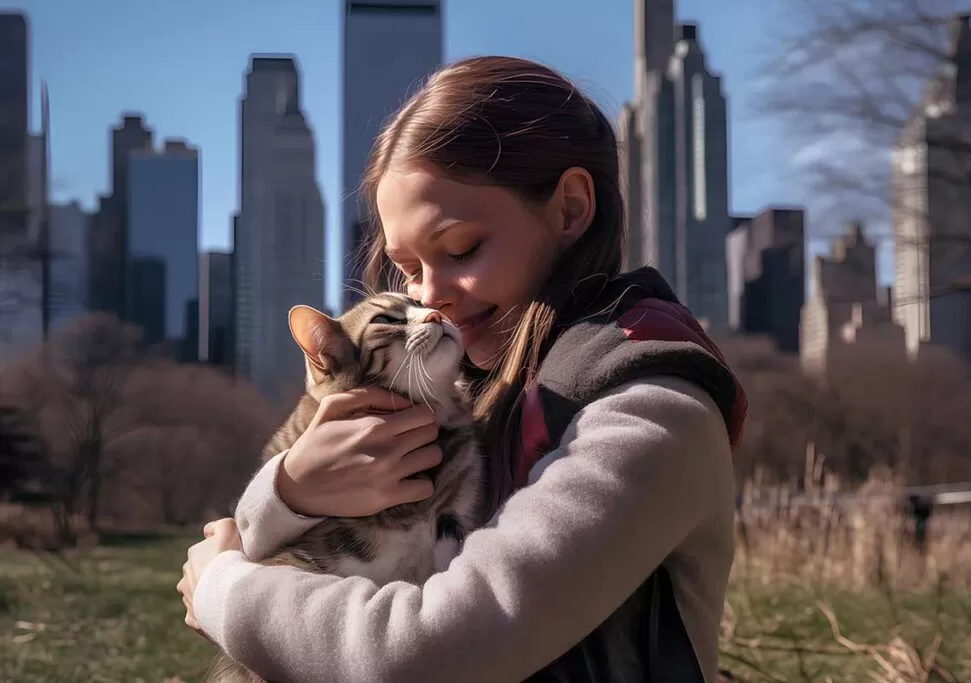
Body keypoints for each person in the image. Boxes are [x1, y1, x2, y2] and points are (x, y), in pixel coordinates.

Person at [178, 55, 746, 683]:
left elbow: (427, 650)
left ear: (570, 208)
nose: (430, 298)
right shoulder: (468, 388)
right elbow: (259, 537)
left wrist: (224, 590)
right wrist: (292, 489)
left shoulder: (650, 407)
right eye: (407, 268)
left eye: (461, 250)